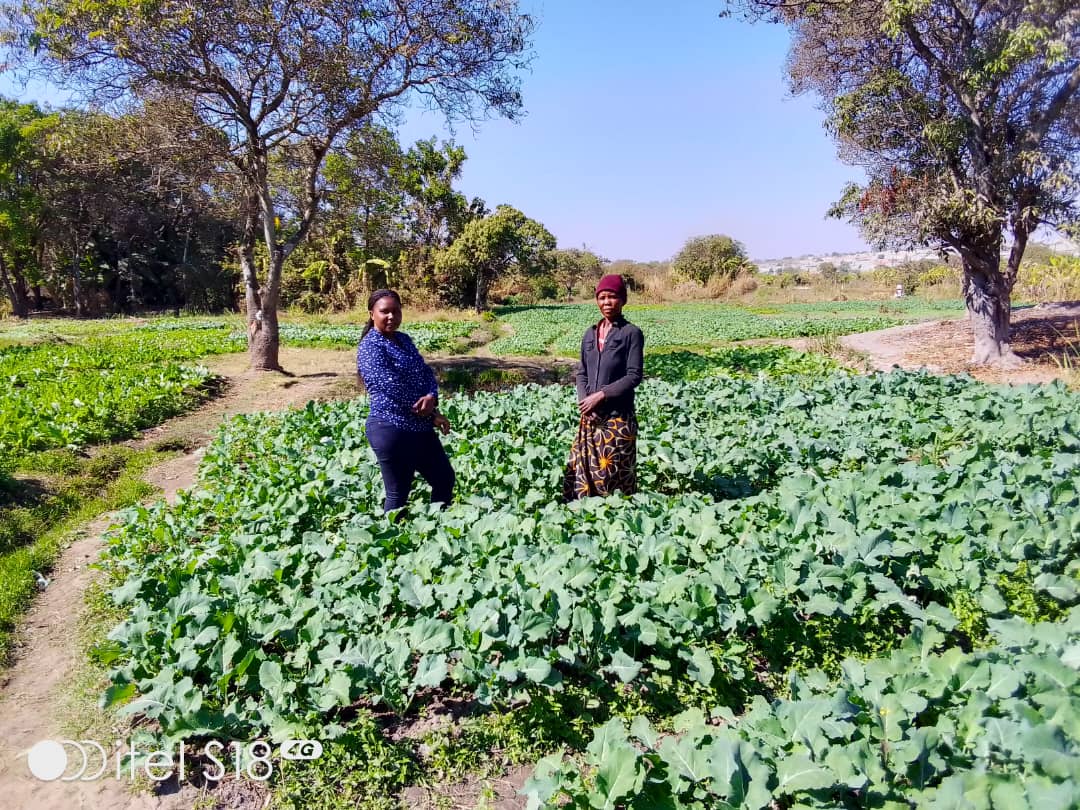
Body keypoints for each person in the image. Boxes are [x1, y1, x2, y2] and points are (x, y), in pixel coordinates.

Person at [356, 289, 454, 513]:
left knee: (444, 479)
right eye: (385, 311)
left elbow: (425, 372)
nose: (391, 316)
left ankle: (437, 529)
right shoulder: (370, 347)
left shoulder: (404, 339)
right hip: (391, 428)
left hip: (420, 428)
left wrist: (432, 397)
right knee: (398, 493)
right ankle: (390, 544)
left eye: (396, 311)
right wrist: (428, 410)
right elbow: (391, 387)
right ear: (372, 314)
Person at [563, 274, 644, 500]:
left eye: (613, 297)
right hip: (590, 417)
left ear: (623, 300)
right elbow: (581, 372)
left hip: (618, 420)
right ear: (597, 300)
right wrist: (585, 402)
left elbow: (633, 376)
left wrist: (600, 395)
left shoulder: (631, 333)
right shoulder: (590, 334)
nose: (607, 302)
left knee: (612, 476)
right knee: (582, 472)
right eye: (602, 297)